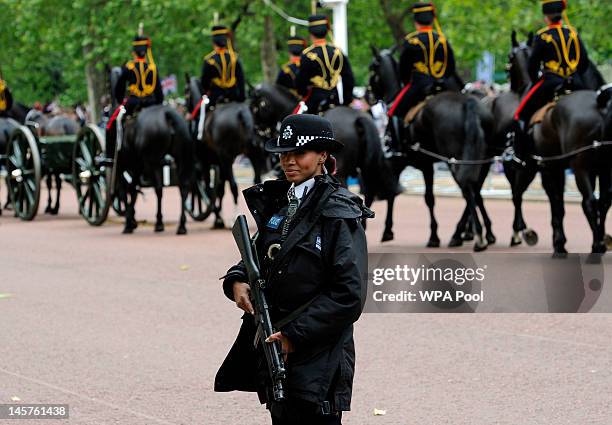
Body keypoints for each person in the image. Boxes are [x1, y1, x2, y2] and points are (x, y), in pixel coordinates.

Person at [215, 114, 373, 424]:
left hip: (318, 355)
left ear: (322, 156)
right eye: (284, 154)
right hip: (275, 347)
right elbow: (257, 256)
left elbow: (349, 294)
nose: (289, 161)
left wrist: (294, 335)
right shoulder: (280, 203)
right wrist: (236, 282)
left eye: (299, 154)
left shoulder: (339, 212)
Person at [512, 0, 589, 164]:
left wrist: (535, 80)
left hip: (551, 83)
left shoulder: (543, 36)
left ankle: (520, 156)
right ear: (560, 14)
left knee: (520, 114)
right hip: (576, 83)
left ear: (546, 17)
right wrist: (575, 76)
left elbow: (532, 66)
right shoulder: (573, 34)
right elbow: (584, 63)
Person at [386, 2, 456, 152]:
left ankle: (397, 148)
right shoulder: (443, 40)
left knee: (393, 113)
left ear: (416, 21)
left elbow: (403, 70)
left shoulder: (411, 40)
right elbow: (451, 67)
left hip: (419, 86)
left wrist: (406, 83)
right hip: (443, 85)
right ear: (432, 19)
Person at [295, 15, 355, 114]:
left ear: (310, 33)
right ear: (327, 31)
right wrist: (346, 101)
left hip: (314, 105)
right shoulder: (337, 52)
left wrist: (303, 93)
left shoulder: (307, 55)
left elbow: (301, 82)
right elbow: (349, 79)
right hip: (335, 101)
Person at [114, 34, 164, 115]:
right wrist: (158, 104)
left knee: (117, 120)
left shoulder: (129, 67)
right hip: (151, 104)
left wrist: (121, 101)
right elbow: (159, 93)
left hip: (132, 104)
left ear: (134, 52)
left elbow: (119, 89)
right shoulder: (153, 68)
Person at [200, 25, 246, 108]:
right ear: (226, 40)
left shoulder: (209, 60)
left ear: (214, 42)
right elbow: (241, 81)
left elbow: (204, 84)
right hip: (234, 97)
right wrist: (242, 98)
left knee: (201, 116)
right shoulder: (234, 58)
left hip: (215, 98)